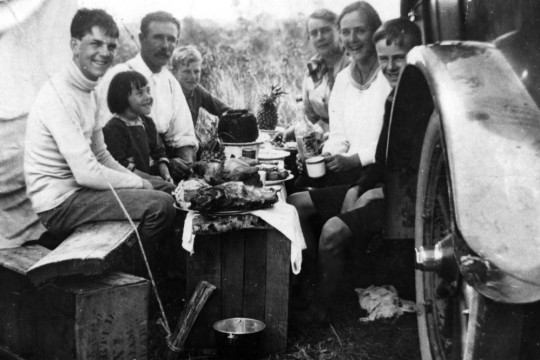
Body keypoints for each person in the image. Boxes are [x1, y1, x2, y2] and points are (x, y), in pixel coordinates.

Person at [292, 17, 422, 325]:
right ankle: (312, 287)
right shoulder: (395, 96)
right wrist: (359, 187)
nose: (390, 67)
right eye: (384, 59)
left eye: (398, 59)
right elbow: (382, 160)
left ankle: (322, 309)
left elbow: (414, 170)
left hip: (407, 203)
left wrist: (372, 191)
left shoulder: (417, 99)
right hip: (381, 187)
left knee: (331, 231)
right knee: (297, 201)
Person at [24, 8, 176, 270]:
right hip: (60, 203)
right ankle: (133, 273)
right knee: (160, 206)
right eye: (95, 43)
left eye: (111, 46)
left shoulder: (89, 92)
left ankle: (162, 265)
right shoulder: (59, 95)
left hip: (82, 193)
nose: (104, 53)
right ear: (74, 45)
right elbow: (86, 173)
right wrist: (139, 184)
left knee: (166, 188)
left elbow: (102, 155)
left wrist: (144, 182)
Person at [294, 1, 391, 190]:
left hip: (377, 169)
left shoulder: (388, 76)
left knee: (301, 200)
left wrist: (354, 160)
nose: (352, 39)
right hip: (350, 168)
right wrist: (327, 155)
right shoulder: (343, 79)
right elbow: (339, 135)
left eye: (360, 31)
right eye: (346, 32)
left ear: (375, 32)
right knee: (300, 183)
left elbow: (391, 140)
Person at [97, 11, 198, 182]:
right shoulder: (119, 76)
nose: (166, 45)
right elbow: (105, 144)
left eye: (171, 39)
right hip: (124, 172)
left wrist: (187, 173)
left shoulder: (170, 82)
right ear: (141, 38)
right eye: (158, 37)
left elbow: (183, 135)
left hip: (162, 166)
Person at [103, 70, 175, 192]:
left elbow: (159, 152)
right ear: (122, 97)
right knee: (170, 192)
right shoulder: (114, 128)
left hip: (151, 177)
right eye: (140, 93)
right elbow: (121, 166)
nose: (148, 97)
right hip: (130, 183)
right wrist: (151, 179)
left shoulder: (147, 123)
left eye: (148, 91)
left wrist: (165, 174)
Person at [171, 45, 232, 127]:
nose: (192, 77)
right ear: (174, 72)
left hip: (188, 138)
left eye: (196, 72)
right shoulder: (168, 93)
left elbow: (224, 110)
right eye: (187, 72)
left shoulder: (197, 91)